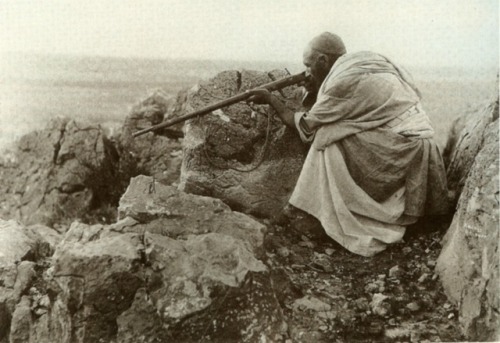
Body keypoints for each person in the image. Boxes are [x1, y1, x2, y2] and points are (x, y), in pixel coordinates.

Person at [248, 32, 448, 257]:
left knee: (325, 138)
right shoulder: (363, 61)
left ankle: (331, 216)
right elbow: (348, 110)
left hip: (405, 150)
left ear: (323, 60)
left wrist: (270, 99)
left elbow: (307, 124)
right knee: (332, 131)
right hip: (418, 144)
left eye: (308, 65)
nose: (306, 72)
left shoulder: (341, 81)